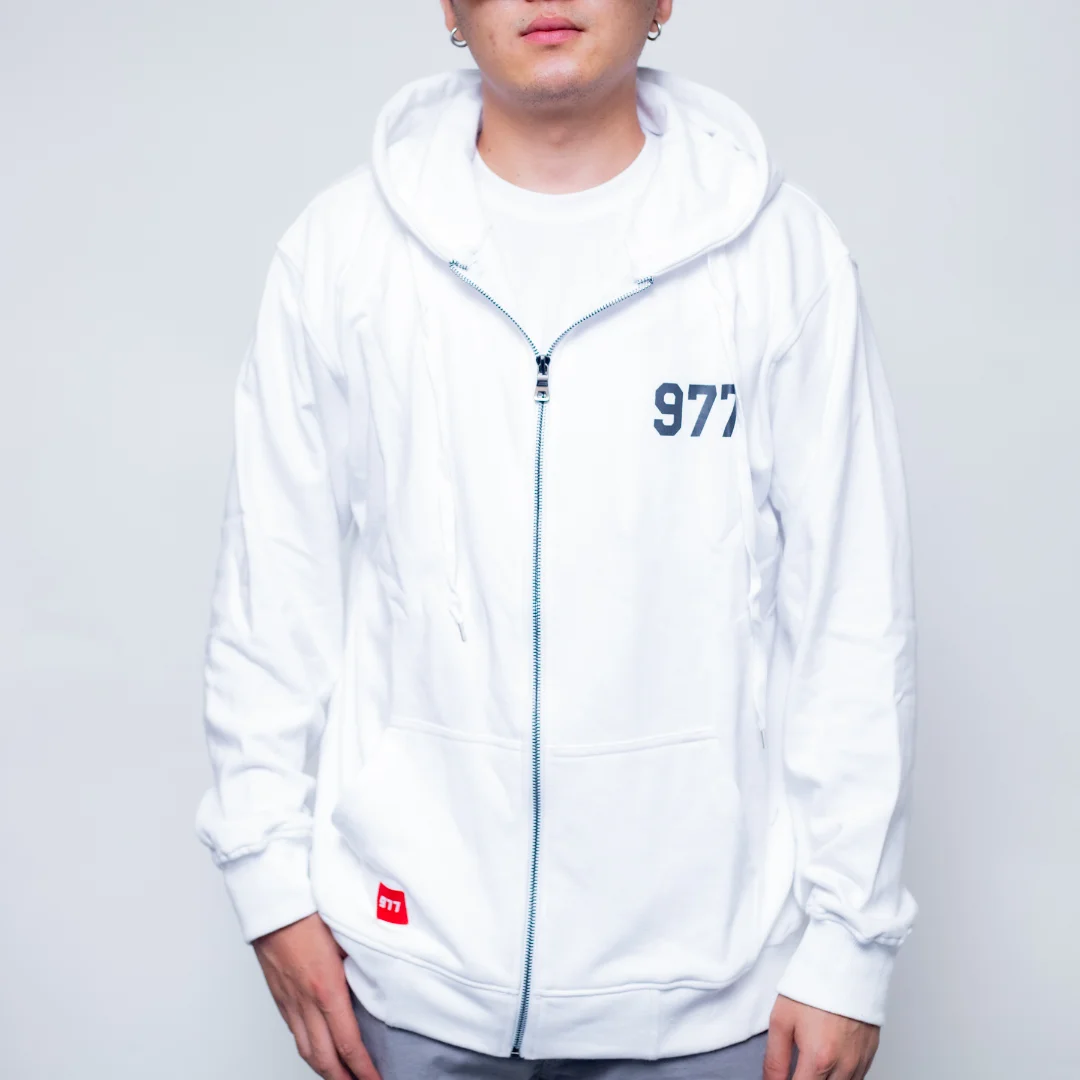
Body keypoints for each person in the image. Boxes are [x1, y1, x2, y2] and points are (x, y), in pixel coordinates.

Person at [194, 2, 918, 1078]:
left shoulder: (781, 257)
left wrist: (853, 947)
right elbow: (272, 587)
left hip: (712, 1001)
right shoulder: (342, 252)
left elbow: (854, 615)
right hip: (407, 978)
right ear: (448, 6)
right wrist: (267, 885)